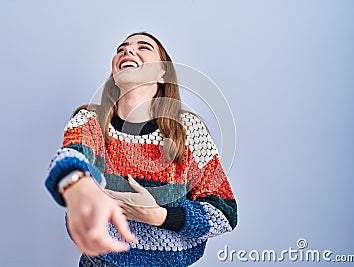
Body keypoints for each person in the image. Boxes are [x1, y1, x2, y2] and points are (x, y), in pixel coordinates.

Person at [45, 32, 238, 267]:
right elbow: (70, 156)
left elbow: (224, 212)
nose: (127, 51)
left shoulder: (189, 129)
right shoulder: (90, 121)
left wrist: (159, 215)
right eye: (121, 48)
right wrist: (77, 184)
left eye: (143, 47)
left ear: (162, 72)